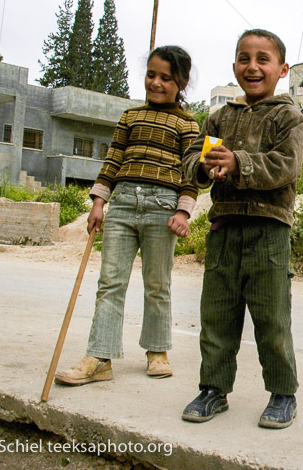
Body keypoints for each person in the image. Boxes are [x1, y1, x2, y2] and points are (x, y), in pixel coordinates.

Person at [180, 29, 303, 429]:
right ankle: (214, 389)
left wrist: (239, 163)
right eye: (244, 58)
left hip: (269, 230)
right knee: (217, 315)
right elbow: (194, 164)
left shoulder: (288, 116)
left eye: (263, 59)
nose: (252, 66)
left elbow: (286, 166)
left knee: (272, 318)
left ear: (282, 69)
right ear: (234, 65)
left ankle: (283, 393)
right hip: (224, 228)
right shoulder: (219, 117)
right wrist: (204, 166)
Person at [55, 45, 199, 386]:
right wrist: (98, 203)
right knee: (110, 284)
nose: (156, 83)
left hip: (163, 207)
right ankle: (99, 357)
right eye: (151, 75)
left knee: (157, 284)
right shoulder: (129, 117)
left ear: (181, 82)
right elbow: (112, 161)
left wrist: (184, 211)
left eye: (166, 77)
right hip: (121, 205)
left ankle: (157, 350)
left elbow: (191, 174)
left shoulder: (187, 124)